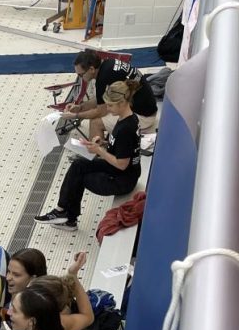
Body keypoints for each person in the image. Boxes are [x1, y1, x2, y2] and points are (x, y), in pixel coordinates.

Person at [36, 81, 143, 232]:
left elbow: (122, 164)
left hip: (122, 180)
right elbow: (124, 148)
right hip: (121, 171)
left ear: (121, 103)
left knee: (81, 177)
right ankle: (61, 212)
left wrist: (99, 151)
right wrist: (103, 142)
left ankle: (68, 219)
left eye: (110, 106)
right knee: (78, 165)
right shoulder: (127, 118)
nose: (107, 109)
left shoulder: (126, 127)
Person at [63, 49, 158, 139]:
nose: (80, 78)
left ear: (91, 69)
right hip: (149, 109)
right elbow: (101, 99)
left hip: (143, 118)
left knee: (95, 122)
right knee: (99, 111)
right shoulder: (108, 64)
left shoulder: (103, 78)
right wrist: (80, 107)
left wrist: (75, 116)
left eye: (81, 74)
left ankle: (98, 153)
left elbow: (101, 111)